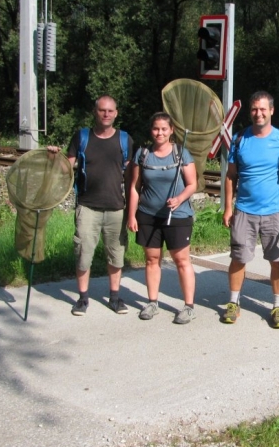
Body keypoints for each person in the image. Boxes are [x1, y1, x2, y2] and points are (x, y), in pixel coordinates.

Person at [49, 95, 134, 316]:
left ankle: (115, 297)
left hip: (116, 208)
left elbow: (133, 177)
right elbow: (65, 169)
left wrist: (135, 209)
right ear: (95, 112)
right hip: (87, 207)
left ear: (116, 113)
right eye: (102, 110)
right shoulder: (82, 137)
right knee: (83, 253)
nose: (106, 114)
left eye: (110, 111)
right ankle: (83, 298)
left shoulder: (125, 140)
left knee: (116, 254)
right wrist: (52, 158)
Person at [222, 91, 279, 327]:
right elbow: (231, 176)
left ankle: (277, 306)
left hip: (275, 211)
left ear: (272, 111)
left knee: (277, 261)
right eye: (254, 109)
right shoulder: (240, 139)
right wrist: (228, 208)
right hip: (244, 211)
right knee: (238, 258)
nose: (258, 113)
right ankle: (233, 302)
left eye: (263, 109)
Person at [127, 112, 198, 324]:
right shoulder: (143, 154)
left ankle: (188, 306)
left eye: (164, 129)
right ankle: (152, 302)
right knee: (151, 259)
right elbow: (134, 187)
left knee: (181, 260)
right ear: (151, 130)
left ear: (171, 131)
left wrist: (179, 199)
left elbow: (192, 184)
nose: (159, 133)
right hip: (148, 215)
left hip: (177, 216)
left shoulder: (181, 153)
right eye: (156, 129)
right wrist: (131, 215)